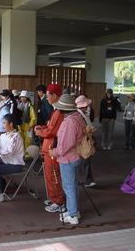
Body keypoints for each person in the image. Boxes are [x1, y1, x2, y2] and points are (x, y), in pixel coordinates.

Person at [49, 94, 86, 225]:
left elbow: (65, 145)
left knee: (69, 187)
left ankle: (72, 215)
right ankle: (73, 210)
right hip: (76, 156)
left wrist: (53, 152)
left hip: (68, 159)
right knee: (73, 186)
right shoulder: (77, 117)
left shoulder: (69, 122)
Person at [34, 84, 66, 213]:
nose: (46, 98)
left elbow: (52, 132)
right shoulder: (56, 111)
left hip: (52, 149)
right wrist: (41, 128)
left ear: (55, 96)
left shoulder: (59, 112)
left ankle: (58, 202)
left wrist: (39, 132)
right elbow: (50, 128)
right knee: (50, 176)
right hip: (49, 149)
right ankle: (54, 199)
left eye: (48, 96)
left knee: (54, 176)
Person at [75, 95, 96, 188]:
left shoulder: (82, 114)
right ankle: (88, 180)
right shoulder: (78, 115)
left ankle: (87, 180)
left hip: (85, 140)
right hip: (81, 141)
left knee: (83, 160)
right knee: (84, 160)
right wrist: (86, 131)